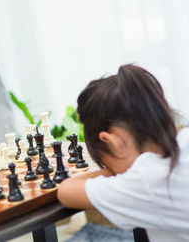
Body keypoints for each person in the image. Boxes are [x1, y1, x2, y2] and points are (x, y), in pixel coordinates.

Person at [57, 64, 189, 242]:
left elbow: (66, 191)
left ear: (112, 141)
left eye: (106, 162)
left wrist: (117, 173)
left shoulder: (148, 178)